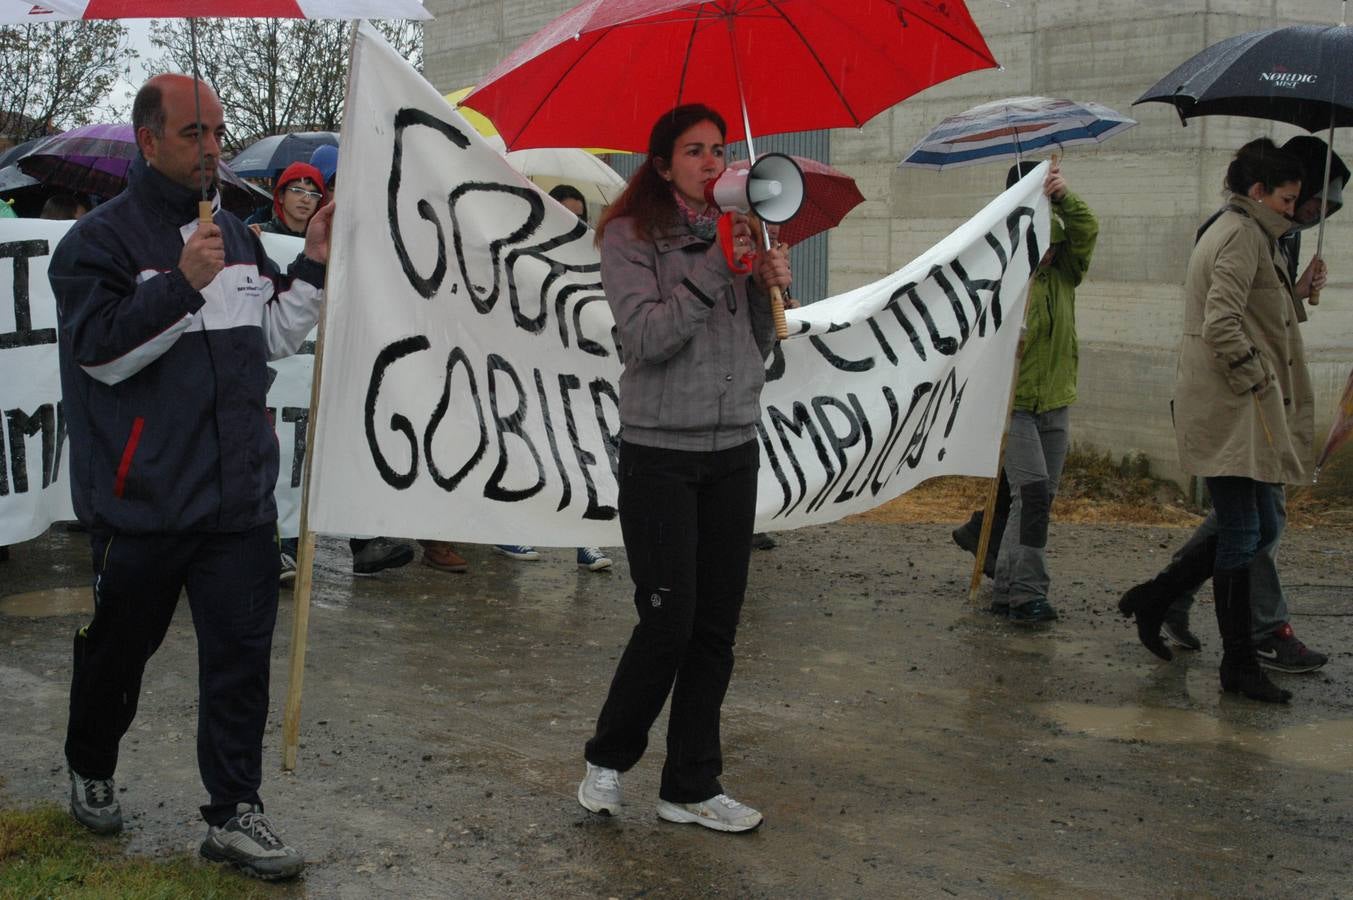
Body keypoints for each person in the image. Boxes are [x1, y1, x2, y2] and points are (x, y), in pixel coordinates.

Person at [49, 74, 327, 879]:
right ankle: (92, 762)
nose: (211, 148)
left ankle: (234, 812)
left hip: (237, 502)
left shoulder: (237, 236)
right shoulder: (96, 243)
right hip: (141, 504)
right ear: (149, 141)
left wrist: (308, 266)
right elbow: (99, 356)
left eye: (217, 132)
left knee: (239, 662)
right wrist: (179, 284)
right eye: (192, 133)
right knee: (117, 655)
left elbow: (272, 336)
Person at [575, 104, 792, 833]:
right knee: (668, 619)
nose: (710, 162)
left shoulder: (740, 232)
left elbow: (757, 349)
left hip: (733, 449)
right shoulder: (630, 237)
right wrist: (711, 268)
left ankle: (691, 785)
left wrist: (766, 285)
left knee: (716, 627)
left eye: (718, 150)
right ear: (662, 165)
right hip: (660, 454)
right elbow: (647, 338)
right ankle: (607, 759)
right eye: (693, 151)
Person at [1126, 138, 1342, 671]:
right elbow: (1221, 322)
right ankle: (1246, 650)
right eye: (1294, 202)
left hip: (1242, 402)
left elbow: (1255, 309)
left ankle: (1162, 599)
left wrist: (1296, 290)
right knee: (1251, 529)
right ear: (1260, 192)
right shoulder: (1243, 234)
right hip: (1234, 404)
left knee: (1254, 526)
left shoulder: (1260, 234)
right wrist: (1259, 380)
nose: (1302, 214)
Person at [988, 160, 1098, 623]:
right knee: (1031, 495)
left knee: (1036, 498)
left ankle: (1006, 587)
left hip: (1056, 400)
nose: (1051, 247)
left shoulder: (1065, 272)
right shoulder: (1001, 270)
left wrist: (1063, 196)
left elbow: (1087, 230)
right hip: (1013, 406)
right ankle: (1028, 593)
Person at [253, 161, 326, 238]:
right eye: (298, 191)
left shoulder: (324, 241)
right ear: (281, 196)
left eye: (313, 195)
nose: (306, 200)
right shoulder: (258, 234)